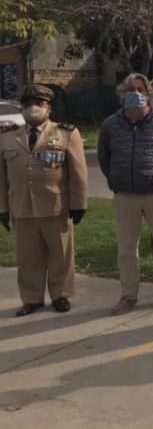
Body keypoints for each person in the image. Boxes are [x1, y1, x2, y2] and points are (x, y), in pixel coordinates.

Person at [98, 73, 153, 315]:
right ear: (122, 94)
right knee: (126, 249)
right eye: (130, 90)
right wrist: (118, 180)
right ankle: (128, 295)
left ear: (149, 94)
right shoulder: (110, 125)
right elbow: (104, 159)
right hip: (125, 196)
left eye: (140, 89)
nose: (135, 94)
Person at [0, 84, 87, 317]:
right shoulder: (7, 136)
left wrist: (79, 204)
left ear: (49, 108)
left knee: (61, 255)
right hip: (22, 207)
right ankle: (32, 299)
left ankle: (60, 295)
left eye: (39, 103)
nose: (33, 108)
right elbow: (1, 176)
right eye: (27, 104)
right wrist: (2, 208)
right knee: (28, 257)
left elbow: (78, 173)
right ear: (21, 108)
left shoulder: (66, 133)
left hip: (56, 206)